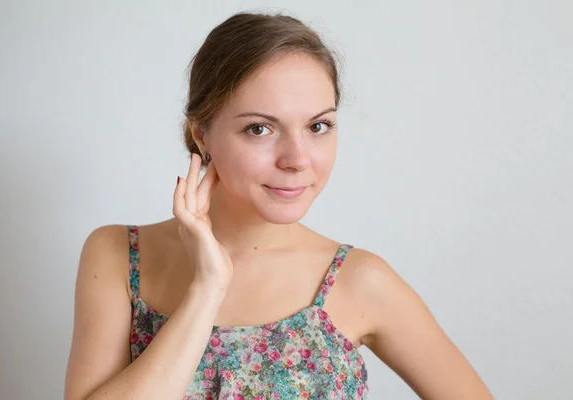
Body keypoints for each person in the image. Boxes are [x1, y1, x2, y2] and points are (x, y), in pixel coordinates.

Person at [64, 11, 494, 400]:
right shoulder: (118, 256)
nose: (297, 159)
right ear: (201, 134)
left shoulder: (360, 282)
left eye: (318, 126)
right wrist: (207, 289)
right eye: (259, 129)